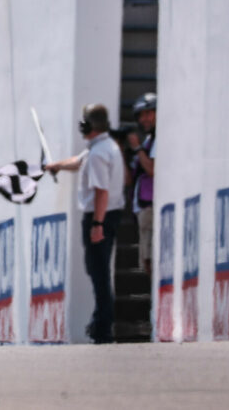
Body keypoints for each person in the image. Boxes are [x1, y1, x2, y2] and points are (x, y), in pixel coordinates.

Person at [45, 104, 126, 344]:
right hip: (108, 214)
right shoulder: (102, 147)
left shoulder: (100, 153)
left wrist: (97, 224)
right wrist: (56, 165)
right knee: (96, 270)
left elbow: (101, 191)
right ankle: (100, 321)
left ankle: (102, 327)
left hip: (100, 215)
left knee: (98, 272)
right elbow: (78, 161)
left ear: (88, 125)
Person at [126, 93, 156, 275]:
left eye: (148, 113)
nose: (143, 119)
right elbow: (130, 179)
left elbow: (152, 170)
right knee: (146, 262)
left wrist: (137, 148)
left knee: (150, 261)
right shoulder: (148, 141)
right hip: (142, 211)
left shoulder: (156, 140)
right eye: (140, 115)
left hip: (151, 210)